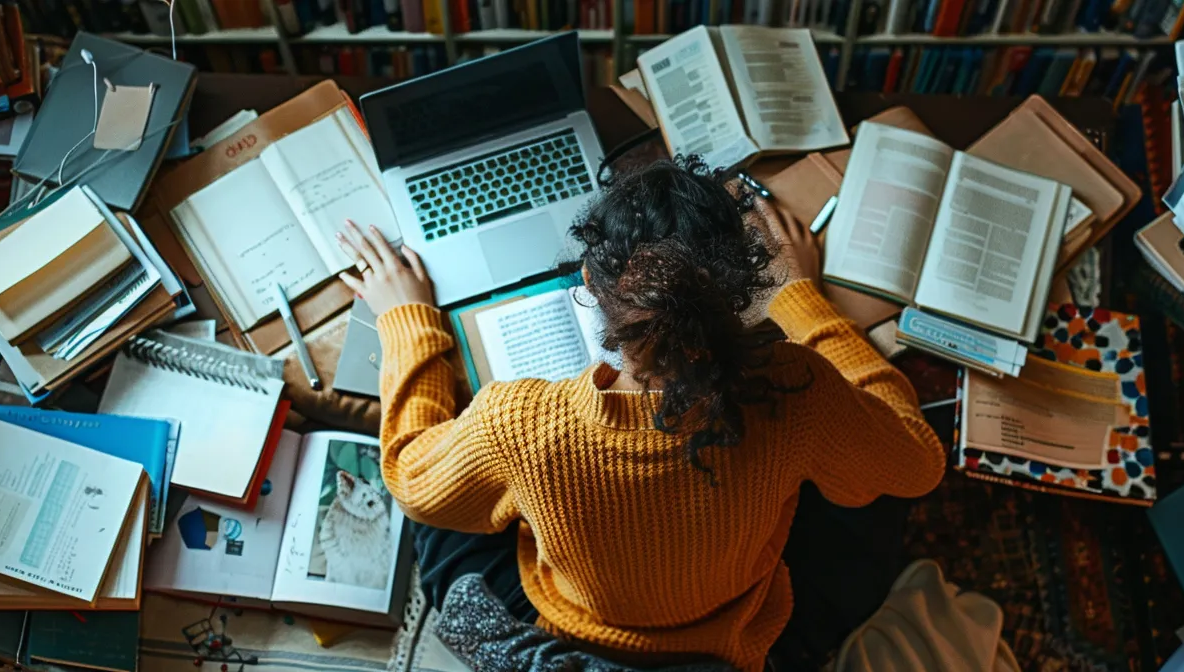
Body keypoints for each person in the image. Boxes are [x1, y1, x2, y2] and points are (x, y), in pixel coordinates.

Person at [335, 158, 947, 672]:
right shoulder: (796, 388)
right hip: (729, 634)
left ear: (589, 283)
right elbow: (918, 462)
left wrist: (405, 319)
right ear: (742, 292)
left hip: (574, 627)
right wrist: (801, 298)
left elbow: (410, 480)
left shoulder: (518, 423)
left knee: (439, 518)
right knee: (864, 502)